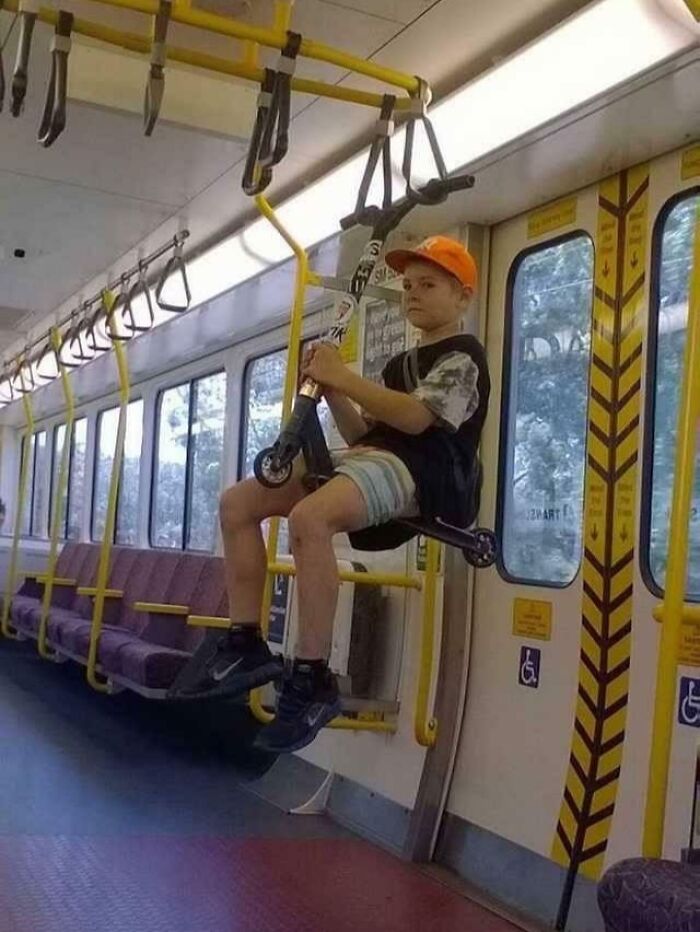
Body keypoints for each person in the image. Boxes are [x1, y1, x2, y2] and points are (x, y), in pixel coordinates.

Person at [168, 235, 490, 754]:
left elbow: (413, 419)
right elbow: (365, 433)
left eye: (428, 285)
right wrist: (336, 390)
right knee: (237, 503)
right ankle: (246, 639)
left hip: (423, 473)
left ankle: (313, 674)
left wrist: (343, 375)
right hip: (373, 457)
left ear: (463, 297)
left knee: (310, 519)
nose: (412, 294)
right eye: (407, 286)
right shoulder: (397, 367)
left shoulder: (463, 357)